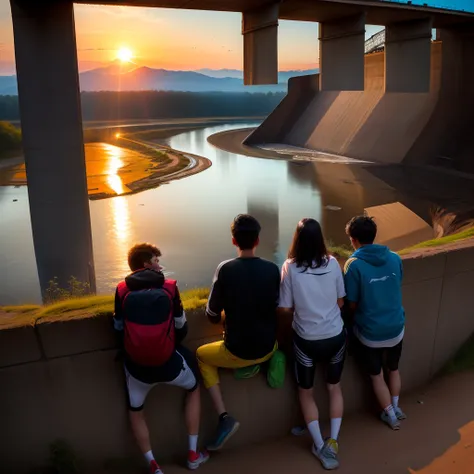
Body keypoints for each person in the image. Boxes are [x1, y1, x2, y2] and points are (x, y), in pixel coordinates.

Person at [113, 243, 209, 474]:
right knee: (195, 387)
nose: (159, 264)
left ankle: (153, 465)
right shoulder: (168, 287)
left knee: (136, 411)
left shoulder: (121, 290)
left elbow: (118, 329)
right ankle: (193, 454)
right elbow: (181, 327)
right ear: (147, 264)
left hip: (137, 369)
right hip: (169, 364)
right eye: (156, 260)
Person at [196, 214, 280, 451]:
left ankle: (224, 417)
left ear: (234, 241)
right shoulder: (273, 270)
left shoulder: (225, 269)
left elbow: (211, 315)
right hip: (269, 345)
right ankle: (261, 362)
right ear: (258, 240)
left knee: (202, 356)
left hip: (238, 351)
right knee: (258, 347)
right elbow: (278, 306)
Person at [279, 218, 346, 470]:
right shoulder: (332, 263)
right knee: (334, 387)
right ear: (320, 239)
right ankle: (334, 440)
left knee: (306, 392)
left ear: (297, 240)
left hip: (306, 340)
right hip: (336, 336)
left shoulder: (290, 267)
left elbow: (284, 307)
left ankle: (319, 446)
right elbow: (341, 301)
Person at [344, 216, 406, 431]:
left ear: (353, 239)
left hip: (370, 333)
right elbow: (397, 283)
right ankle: (396, 407)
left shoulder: (353, 265)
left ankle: (389, 414)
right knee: (394, 368)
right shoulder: (395, 257)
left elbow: (350, 303)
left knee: (377, 375)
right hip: (396, 327)